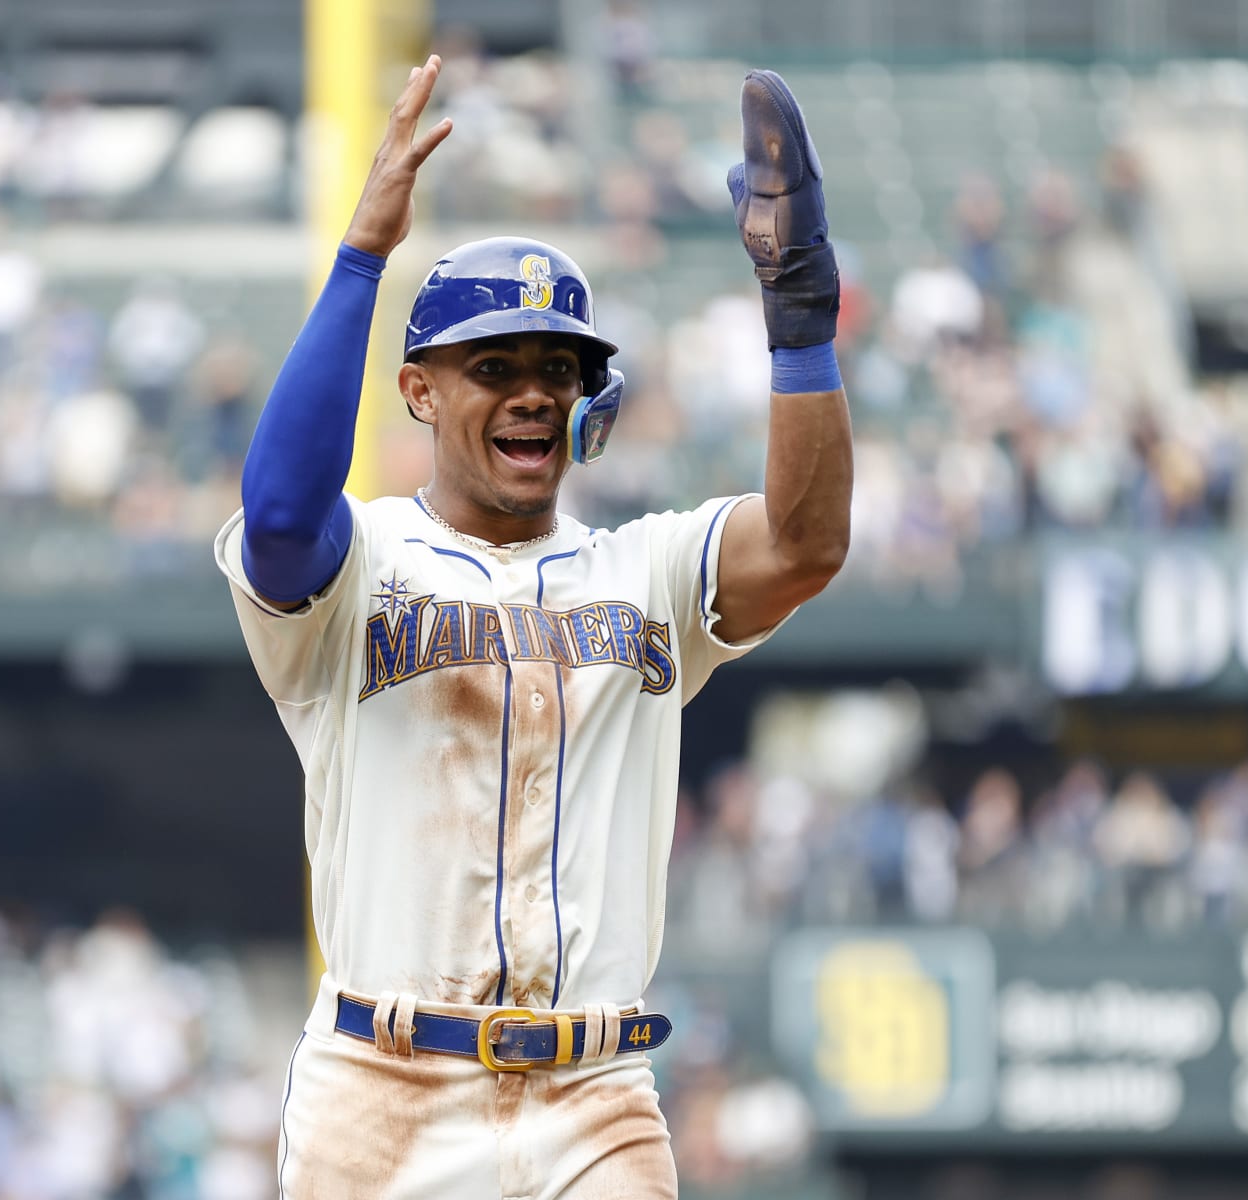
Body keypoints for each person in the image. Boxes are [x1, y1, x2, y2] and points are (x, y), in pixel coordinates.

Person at [213, 55, 851, 1197]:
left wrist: (799, 317)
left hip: (596, 1097)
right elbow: (276, 515)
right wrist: (361, 257)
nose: (532, 392)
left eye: (559, 369)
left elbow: (804, 544)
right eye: (492, 365)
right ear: (419, 391)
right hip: (385, 1089)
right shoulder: (361, 565)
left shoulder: (643, 570)